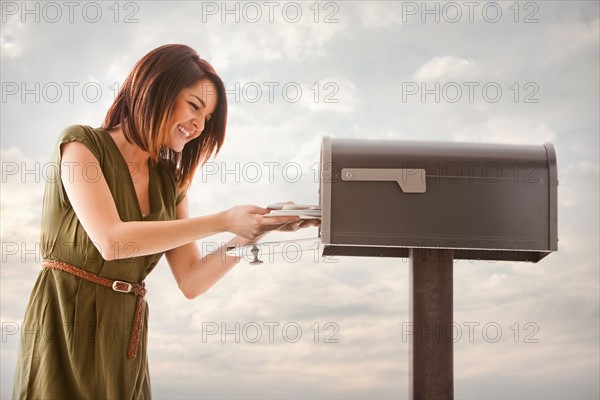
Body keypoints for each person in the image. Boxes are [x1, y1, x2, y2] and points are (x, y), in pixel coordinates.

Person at [12, 44, 318, 399]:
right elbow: (112, 241)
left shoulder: (169, 183)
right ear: (156, 89)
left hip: (124, 335)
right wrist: (223, 220)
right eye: (194, 107)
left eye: (206, 119)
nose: (199, 126)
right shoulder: (81, 145)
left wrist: (255, 231)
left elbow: (191, 279)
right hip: (65, 322)